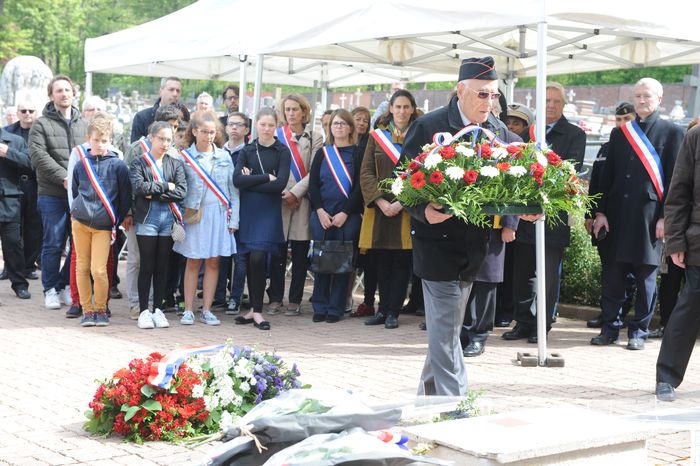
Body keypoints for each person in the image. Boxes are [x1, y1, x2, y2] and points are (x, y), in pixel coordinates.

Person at [401, 56, 520, 396]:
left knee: (446, 332)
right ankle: (457, 407)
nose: (490, 102)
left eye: (494, 95)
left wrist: (526, 209)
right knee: (446, 331)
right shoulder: (430, 126)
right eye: (483, 95)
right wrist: (424, 210)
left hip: (474, 247)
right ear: (460, 91)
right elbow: (399, 180)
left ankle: (427, 401)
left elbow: (519, 174)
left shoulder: (496, 130)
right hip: (435, 244)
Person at [592, 77, 685, 350]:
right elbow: (607, 178)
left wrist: (666, 218)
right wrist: (601, 212)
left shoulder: (672, 132)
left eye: (647, 96)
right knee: (612, 276)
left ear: (659, 99)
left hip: (649, 218)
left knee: (645, 278)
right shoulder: (620, 133)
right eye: (638, 96)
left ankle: (639, 332)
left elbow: (676, 181)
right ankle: (610, 328)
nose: (642, 100)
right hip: (618, 216)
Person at [502, 82, 586, 344]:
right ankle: (523, 322)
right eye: (546, 101)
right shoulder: (526, 133)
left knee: (548, 275)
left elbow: (570, 171)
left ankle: (543, 325)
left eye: (555, 102)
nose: (550, 105)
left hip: (553, 216)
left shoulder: (574, 134)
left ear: (563, 105)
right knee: (522, 274)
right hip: (524, 214)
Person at [360, 90, 418, 329]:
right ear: (391, 109)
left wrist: (401, 202)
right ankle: (382, 310)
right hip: (380, 210)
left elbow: (424, 175)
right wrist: (382, 202)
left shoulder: (420, 136)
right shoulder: (377, 137)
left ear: (412, 109)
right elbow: (366, 172)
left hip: (406, 210)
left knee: (401, 263)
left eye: (406, 107)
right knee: (381, 262)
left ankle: (394, 311)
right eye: (398, 107)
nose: (402, 111)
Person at [29, 75, 88, 310]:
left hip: (80, 195)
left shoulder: (83, 124)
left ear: (73, 93)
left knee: (78, 244)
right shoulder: (41, 124)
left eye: (67, 90)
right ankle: (50, 288)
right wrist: (64, 177)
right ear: (51, 95)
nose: (64, 94)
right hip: (52, 193)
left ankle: (65, 284)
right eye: (59, 91)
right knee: (53, 242)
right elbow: (38, 156)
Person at [175, 111, 239, 326]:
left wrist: (234, 220)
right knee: (193, 261)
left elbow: (233, 191)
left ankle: (208, 309)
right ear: (194, 131)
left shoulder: (224, 156)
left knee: (213, 262)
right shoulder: (185, 157)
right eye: (204, 132)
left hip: (219, 214)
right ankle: (189, 309)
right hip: (195, 214)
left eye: (212, 132)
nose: (209, 136)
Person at [70, 114, 132, 327]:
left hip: (104, 225)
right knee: (82, 267)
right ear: (89, 139)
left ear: (111, 141)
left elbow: (125, 197)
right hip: (80, 223)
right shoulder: (81, 165)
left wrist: (116, 220)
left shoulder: (118, 166)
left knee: (99, 269)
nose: (99, 144)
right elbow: (76, 190)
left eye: (104, 140)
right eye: (96, 140)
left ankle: (100, 308)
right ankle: (87, 310)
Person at [233, 108, 291, 331]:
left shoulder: (282, 151)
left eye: (270, 125)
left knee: (258, 258)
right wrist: (266, 176)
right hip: (249, 211)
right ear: (255, 125)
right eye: (263, 124)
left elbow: (280, 184)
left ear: (276, 126)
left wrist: (253, 182)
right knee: (248, 259)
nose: (266, 129)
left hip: (268, 211)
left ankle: (257, 311)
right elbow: (238, 180)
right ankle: (253, 309)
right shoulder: (247, 150)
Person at [123, 105, 182, 319]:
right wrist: (128, 211)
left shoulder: (174, 153)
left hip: (165, 216)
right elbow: (130, 185)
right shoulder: (136, 150)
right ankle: (135, 303)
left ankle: (152, 304)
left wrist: (156, 193)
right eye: (167, 129)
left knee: (158, 262)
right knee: (137, 260)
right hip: (138, 214)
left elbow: (180, 189)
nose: (169, 136)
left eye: (174, 129)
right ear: (152, 133)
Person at [655, 123, 700, 401]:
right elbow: (678, 194)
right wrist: (675, 242)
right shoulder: (695, 136)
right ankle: (667, 377)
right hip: (698, 241)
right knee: (688, 309)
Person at [267, 94, 323, 316]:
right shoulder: (276, 135)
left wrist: (295, 193)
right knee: (277, 253)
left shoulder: (316, 137)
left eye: (295, 109)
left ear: (304, 111)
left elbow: (314, 170)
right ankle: (275, 298)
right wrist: (282, 191)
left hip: (301, 201)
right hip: (279, 199)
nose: (291, 113)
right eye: (287, 109)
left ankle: (295, 299)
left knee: (300, 254)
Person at [584, 102, 637, 329]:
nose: (622, 124)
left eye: (627, 119)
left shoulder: (642, 150)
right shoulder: (606, 148)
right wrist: (589, 214)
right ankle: (608, 312)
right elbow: (596, 183)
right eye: (619, 120)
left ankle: (622, 313)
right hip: (607, 219)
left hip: (632, 220)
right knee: (608, 270)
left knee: (631, 272)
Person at [308, 109, 363, 322]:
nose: (338, 127)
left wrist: (345, 213)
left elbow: (359, 187)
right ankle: (319, 306)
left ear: (350, 127)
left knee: (342, 263)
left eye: (342, 123)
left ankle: (336, 308)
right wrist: (320, 210)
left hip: (347, 216)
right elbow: (313, 184)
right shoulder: (323, 152)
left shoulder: (357, 153)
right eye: (334, 124)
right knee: (321, 261)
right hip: (322, 215)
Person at [461, 215, 518, 356]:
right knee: (463, 280)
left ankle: (479, 336)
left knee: (486, 282)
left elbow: (512, 194)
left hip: (492, 226)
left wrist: (510, 224)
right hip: (464, 224)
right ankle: (462, 333)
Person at [3, 98, 41, 281]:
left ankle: (27, 265)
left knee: (33, 226)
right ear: (17, 113)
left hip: (34, 183)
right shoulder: (7, 133)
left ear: (36, 113)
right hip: (12, 186)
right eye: (24, 111)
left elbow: (33, 162)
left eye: (31, 111)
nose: (27, 114)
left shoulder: (40, 132)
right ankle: (9, 268)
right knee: (12, 230)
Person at [218, 112, 250, 315]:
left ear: (247, 130)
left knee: (239, 257)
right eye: (231, 124)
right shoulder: (219, 153)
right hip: (220, 211)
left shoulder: (249, 153)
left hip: (243, 211)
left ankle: (235, 296)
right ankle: (219, 296)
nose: (235, 128)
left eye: (239, 125)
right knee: (220, 256)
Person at [350, 106, 378, 317]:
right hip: (345, 210)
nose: (361, 123)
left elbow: (365, 179)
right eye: (357, 119)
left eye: (365, 120)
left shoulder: (370, 143)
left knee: (369, 260)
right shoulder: (342, 144)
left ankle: (368, 300)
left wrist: (362, 206)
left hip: (364, 208)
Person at [0, 125, 33, 299]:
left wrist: (7, 152)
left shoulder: (15, 141)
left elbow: (30, 164)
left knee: (13, 244)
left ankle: (19, 284)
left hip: (8, 201)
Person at [130, 77, 182, 142]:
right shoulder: (142, 117)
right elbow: (135, 149)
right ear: (161, 91)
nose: (175, 94)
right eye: (171, 90)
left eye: (178, 91)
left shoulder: (184, 118)